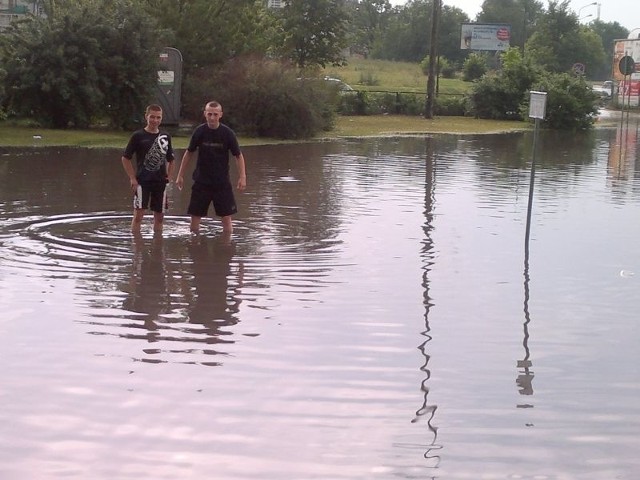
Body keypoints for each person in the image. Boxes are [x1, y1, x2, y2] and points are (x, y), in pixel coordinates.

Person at [176, 101, 247, 234]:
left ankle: (226, 249)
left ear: (220, 115)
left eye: (215, 114)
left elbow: (238, 155)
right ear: (205, 114)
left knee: (226, 219)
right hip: (201, 182)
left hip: (221, 183)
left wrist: (242, 177)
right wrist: (180, 175)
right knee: (195, 218)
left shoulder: (228, 133)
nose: (212, 117)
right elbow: (188, 153)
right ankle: (194, 248)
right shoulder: (199, 131)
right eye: (210, 114)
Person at [121, 104, 175, 234]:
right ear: (146, 117)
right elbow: (125, 158)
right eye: (152, 117)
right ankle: (137, 248)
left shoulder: (165, 136)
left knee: (160, 217)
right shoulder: (138, 136)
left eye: (158, 117)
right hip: (142, 181)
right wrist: (132, 178)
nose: (155, 120)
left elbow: (171, 159)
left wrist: (169, 177)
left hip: (160, 182)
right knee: (139, 216)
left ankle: (158, 247)